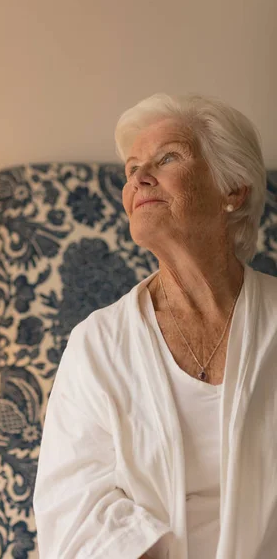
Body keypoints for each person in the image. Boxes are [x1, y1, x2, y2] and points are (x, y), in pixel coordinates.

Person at [33, 94, 277, 559]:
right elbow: (71, 506)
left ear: (233, 190)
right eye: (130, 169)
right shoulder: (97, 345)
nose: (139, 179)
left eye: (167, 157)